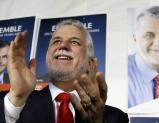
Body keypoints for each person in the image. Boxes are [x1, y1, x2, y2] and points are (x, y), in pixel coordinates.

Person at [0, 19, 129, 123]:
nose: (62, 45)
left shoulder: (116, 118)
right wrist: (17, 99)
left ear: (90, 63)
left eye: (74, 42)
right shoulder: (10, 101)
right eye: (57, 41)